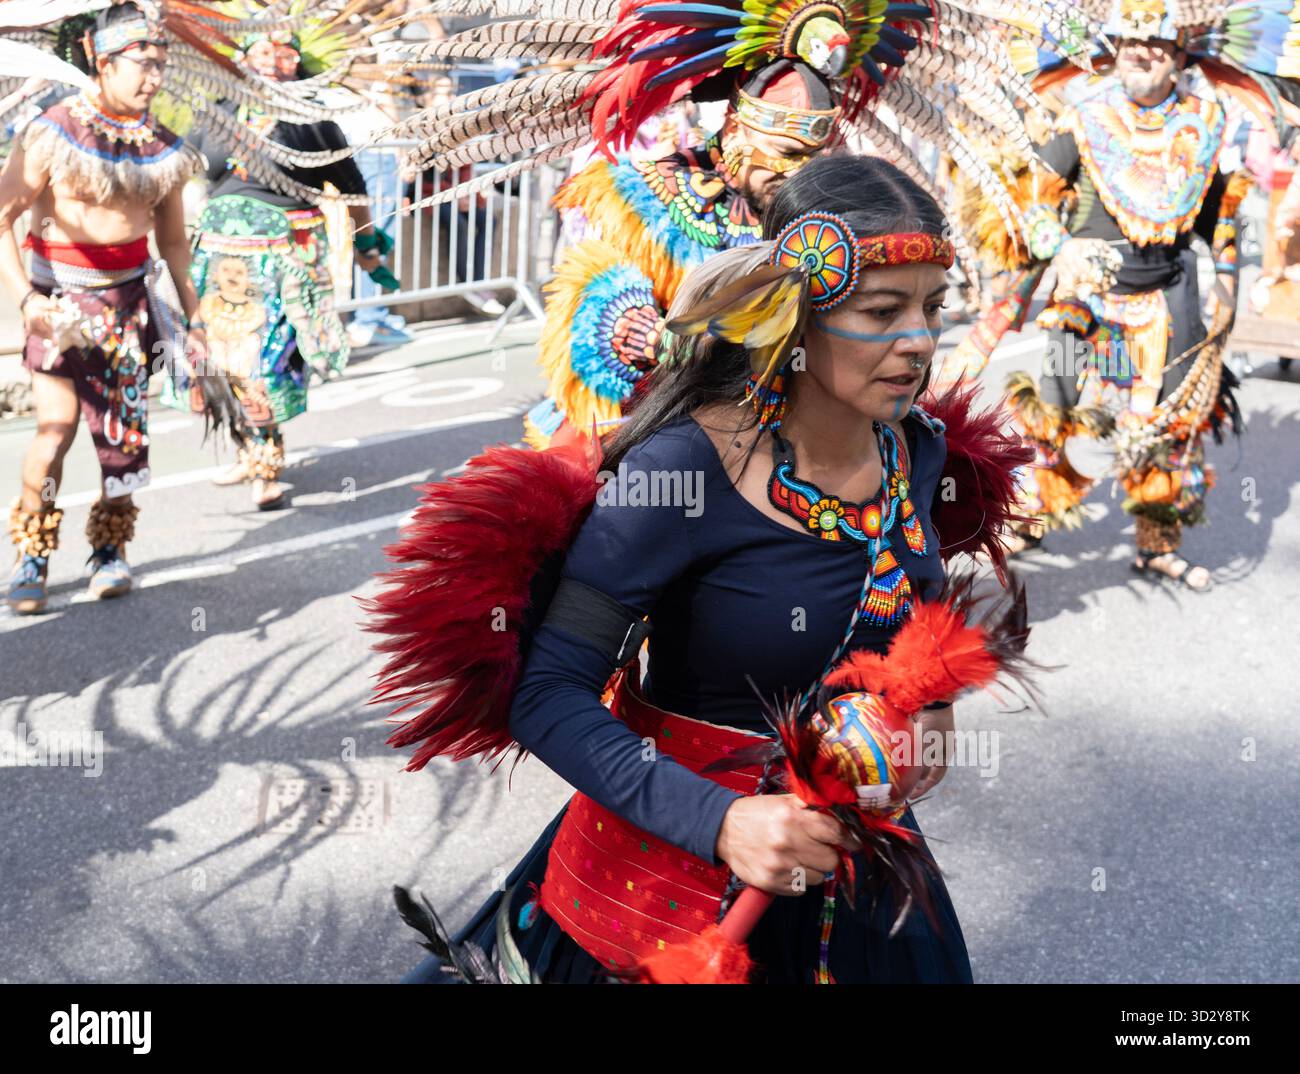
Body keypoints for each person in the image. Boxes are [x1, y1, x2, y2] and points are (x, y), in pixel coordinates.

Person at [368, 154, 1034, 984]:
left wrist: (929, 712)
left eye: (934, 307)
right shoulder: (682, 473)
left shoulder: (918, 452)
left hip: (855, 879)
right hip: (668, 888)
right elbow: (546, 693)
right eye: (883, 310)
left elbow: (919, 612)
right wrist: (723, 822)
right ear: (797, 316)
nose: (919, 340)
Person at [396, 0, 1071, 450]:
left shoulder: (826, 214)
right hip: (654, 434)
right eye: (785, 153)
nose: (796, 171)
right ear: (736, 126)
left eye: (813, 155)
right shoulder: (646, 192)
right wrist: (643, 331)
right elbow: (591, 293)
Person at [0, 2, 205, 614]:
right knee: (55, 431)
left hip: (128, 308)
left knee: (122, 442)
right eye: (142, 63)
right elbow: (3, 216)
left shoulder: (163, 149)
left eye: (161, 65)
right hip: (60, 306)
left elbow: (171, 245)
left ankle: (110, 551)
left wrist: (193, 321)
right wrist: (27, 299)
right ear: (102, 59)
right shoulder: (52, 132)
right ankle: (32, 552)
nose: (154, 78)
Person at [173, 29, 384, 510]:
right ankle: (249, 451)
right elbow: (176, 170)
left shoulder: (312, 121)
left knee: (264, 363)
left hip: (287, 262)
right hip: (222, 261)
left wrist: (367, 245)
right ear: (241, 61)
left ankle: (266, 461)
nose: (275, 61)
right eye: (263, 51)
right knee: (225, 363)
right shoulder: (215, 112)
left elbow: (353, 190)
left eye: (285, 52)